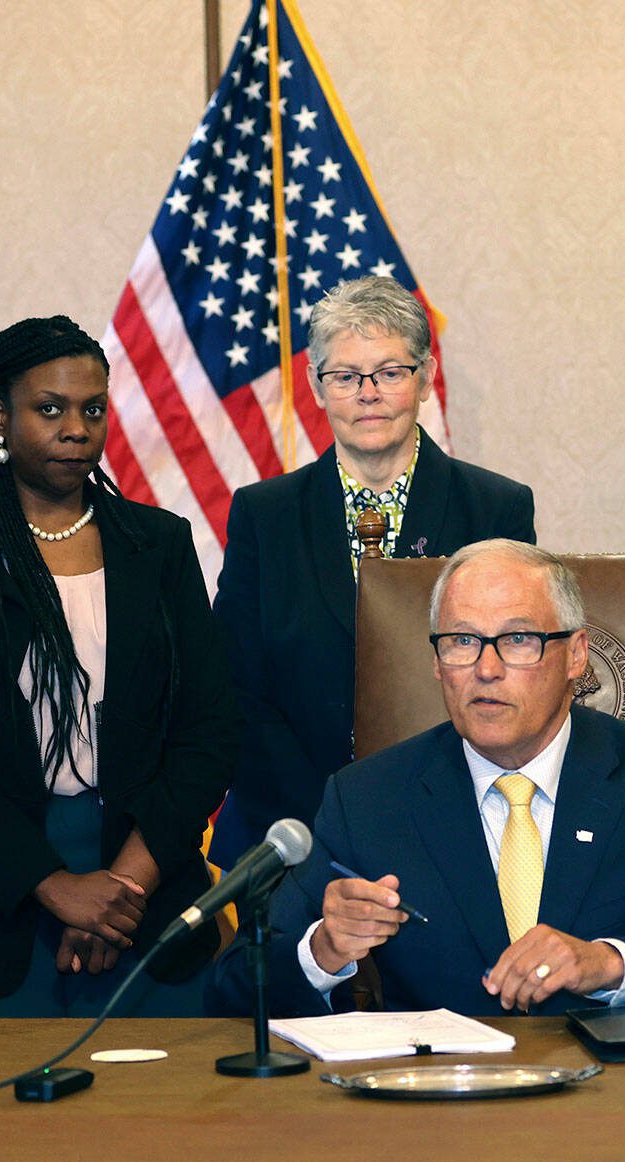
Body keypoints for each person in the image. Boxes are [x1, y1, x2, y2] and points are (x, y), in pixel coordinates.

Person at [213, 539, 625, 1017]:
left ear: (575, 656)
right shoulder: (367, 799)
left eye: (517, 639)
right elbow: (235, 988)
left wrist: (608, 963)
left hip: (619, 1116)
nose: (486, 669)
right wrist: (324, 950)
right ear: (437, 662)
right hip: (439, 1114)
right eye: (462, 641)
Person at [0, 316, 239, 1018]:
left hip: (146, 884)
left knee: (155, 1124)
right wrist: (52, 885)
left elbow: (210, 730)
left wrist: (121, 891)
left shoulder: (158, 545)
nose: (76, 428)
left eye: (92, 409)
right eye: (50, 409)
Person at [209, 275, 534, 867]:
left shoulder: (495, 508)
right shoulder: (265, 515)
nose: (368, 394)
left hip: (453, 823)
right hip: (292, 827)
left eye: (389, 372)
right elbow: (235, 687)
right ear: (315, 385)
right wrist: (330, 813)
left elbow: (508, 674)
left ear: (426, 378)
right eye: (345, 376)